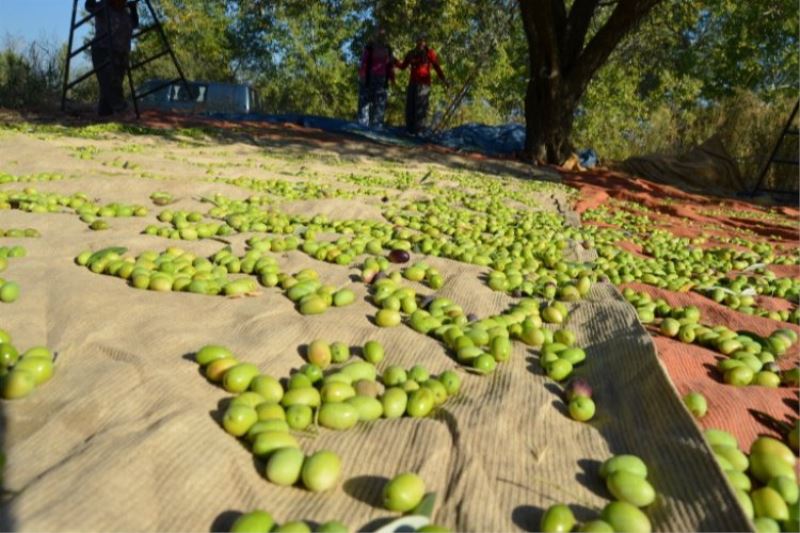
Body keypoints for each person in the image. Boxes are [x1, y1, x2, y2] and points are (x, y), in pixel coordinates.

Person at [85, 0, 139, 116]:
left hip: (121, 54)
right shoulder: (103, 7)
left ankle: (104, 113)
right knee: (111, 83)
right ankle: (122, 109)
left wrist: (134, 10)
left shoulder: (125, 12)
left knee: (112, 87)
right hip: (103, 51)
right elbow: (89, 6)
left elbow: (134, 24)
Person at [397, 35, 448, 135]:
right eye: (419, 40)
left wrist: (444, 79)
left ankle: (419, 131)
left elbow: (437, 67)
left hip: (424, 84)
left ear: (425, 42)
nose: (421, 42)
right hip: (412, 83)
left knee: (421, 108)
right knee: (410, 106)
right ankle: (409, 130)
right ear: (416, 41)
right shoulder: (411, 53)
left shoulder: (429, 53)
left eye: (423, 40)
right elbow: (403, 66)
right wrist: (394, 61)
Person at [357, 27, 396, 129]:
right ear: (375, 35)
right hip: (369, 77)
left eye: (383, 35)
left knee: (380, 102)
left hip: (382, 79)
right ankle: (362, 125)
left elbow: (391, 65)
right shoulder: (369, 47)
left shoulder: (388, 49)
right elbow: (363, 62)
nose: (380, 37)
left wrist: (392, 79)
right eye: (378, 34)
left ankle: (377, 125)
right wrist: (362, 75)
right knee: (364, 101)